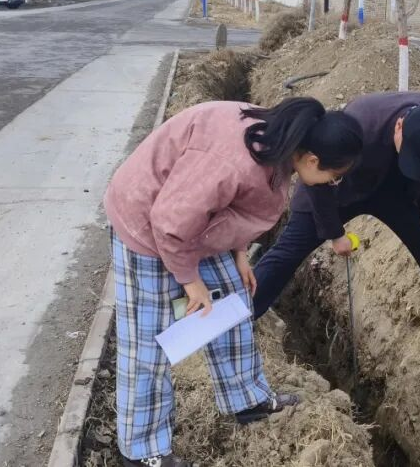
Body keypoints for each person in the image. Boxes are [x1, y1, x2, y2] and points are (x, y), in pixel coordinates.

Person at [104, 98, 364, 467]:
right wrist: (190, 281)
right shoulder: (231, 160)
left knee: (234, 302)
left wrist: (239, 250)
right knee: (149, 343)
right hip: (146, 224)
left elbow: (232, 204)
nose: (333, 184)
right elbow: (170, 224)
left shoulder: (279, 142)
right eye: (333, 176)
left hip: (193, 222)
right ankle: (143, 451)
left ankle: (245, 399)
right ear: (311, 160)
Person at [252, 92, 420, 331]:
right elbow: (318, 181)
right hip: (336, 186)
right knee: (289, 250)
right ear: (399, 126)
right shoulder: (360, 123)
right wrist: (335, 233)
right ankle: (245, 312)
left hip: (391, 188)